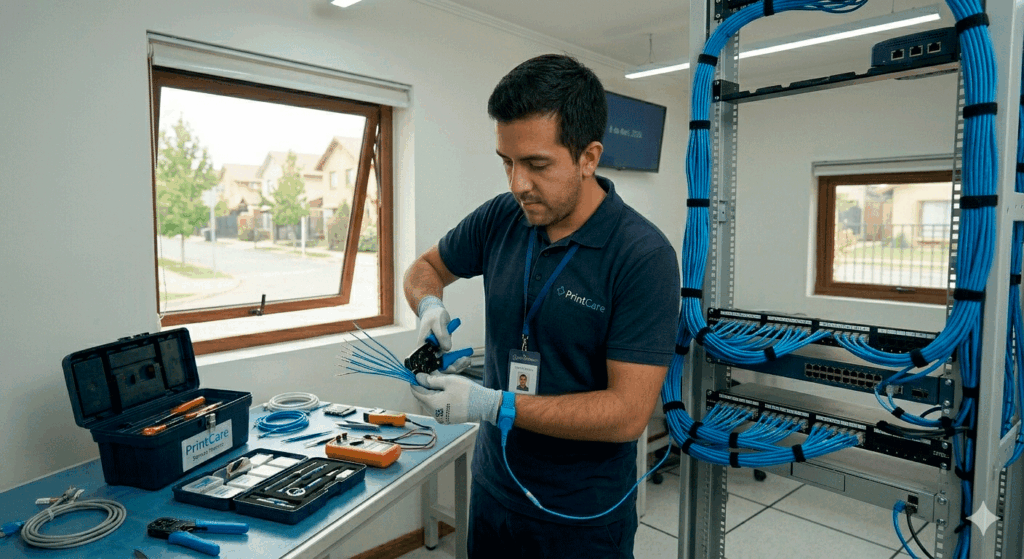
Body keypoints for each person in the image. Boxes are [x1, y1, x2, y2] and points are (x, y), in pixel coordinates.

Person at [404, 54, 679, 558]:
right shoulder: (502, 218)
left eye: (536, 164)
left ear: (589, 157)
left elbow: (627, 414)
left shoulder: (642, 256)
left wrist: (493, 404)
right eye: (506, 162)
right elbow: (425, 268)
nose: (517, 184)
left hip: (581, 517)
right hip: (493, 492)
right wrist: (428, 307)